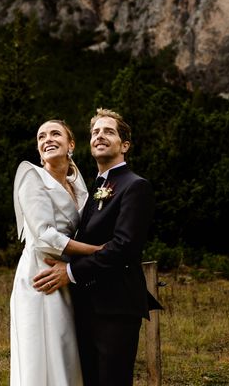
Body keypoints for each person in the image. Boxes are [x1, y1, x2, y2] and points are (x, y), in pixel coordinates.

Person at [33, 108, 161, 386]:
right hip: (85, 305)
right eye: (95, 132)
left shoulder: (135, 186)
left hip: (116, 306)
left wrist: (70, 272)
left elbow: (124, 248)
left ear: (124, 145)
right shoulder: (92, 188)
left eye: (108, 131)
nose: (99, 136)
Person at [10, 119, 103, 386]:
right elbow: (44, 236)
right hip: (41, 273)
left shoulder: (79, 186)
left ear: (70, 144)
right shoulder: (31, 176)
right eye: (41, 137)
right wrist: (95, 251)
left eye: (55, 134)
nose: (47, 139)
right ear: (39, 150)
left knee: (65, 348)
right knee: (42, 350)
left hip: (68, 274)